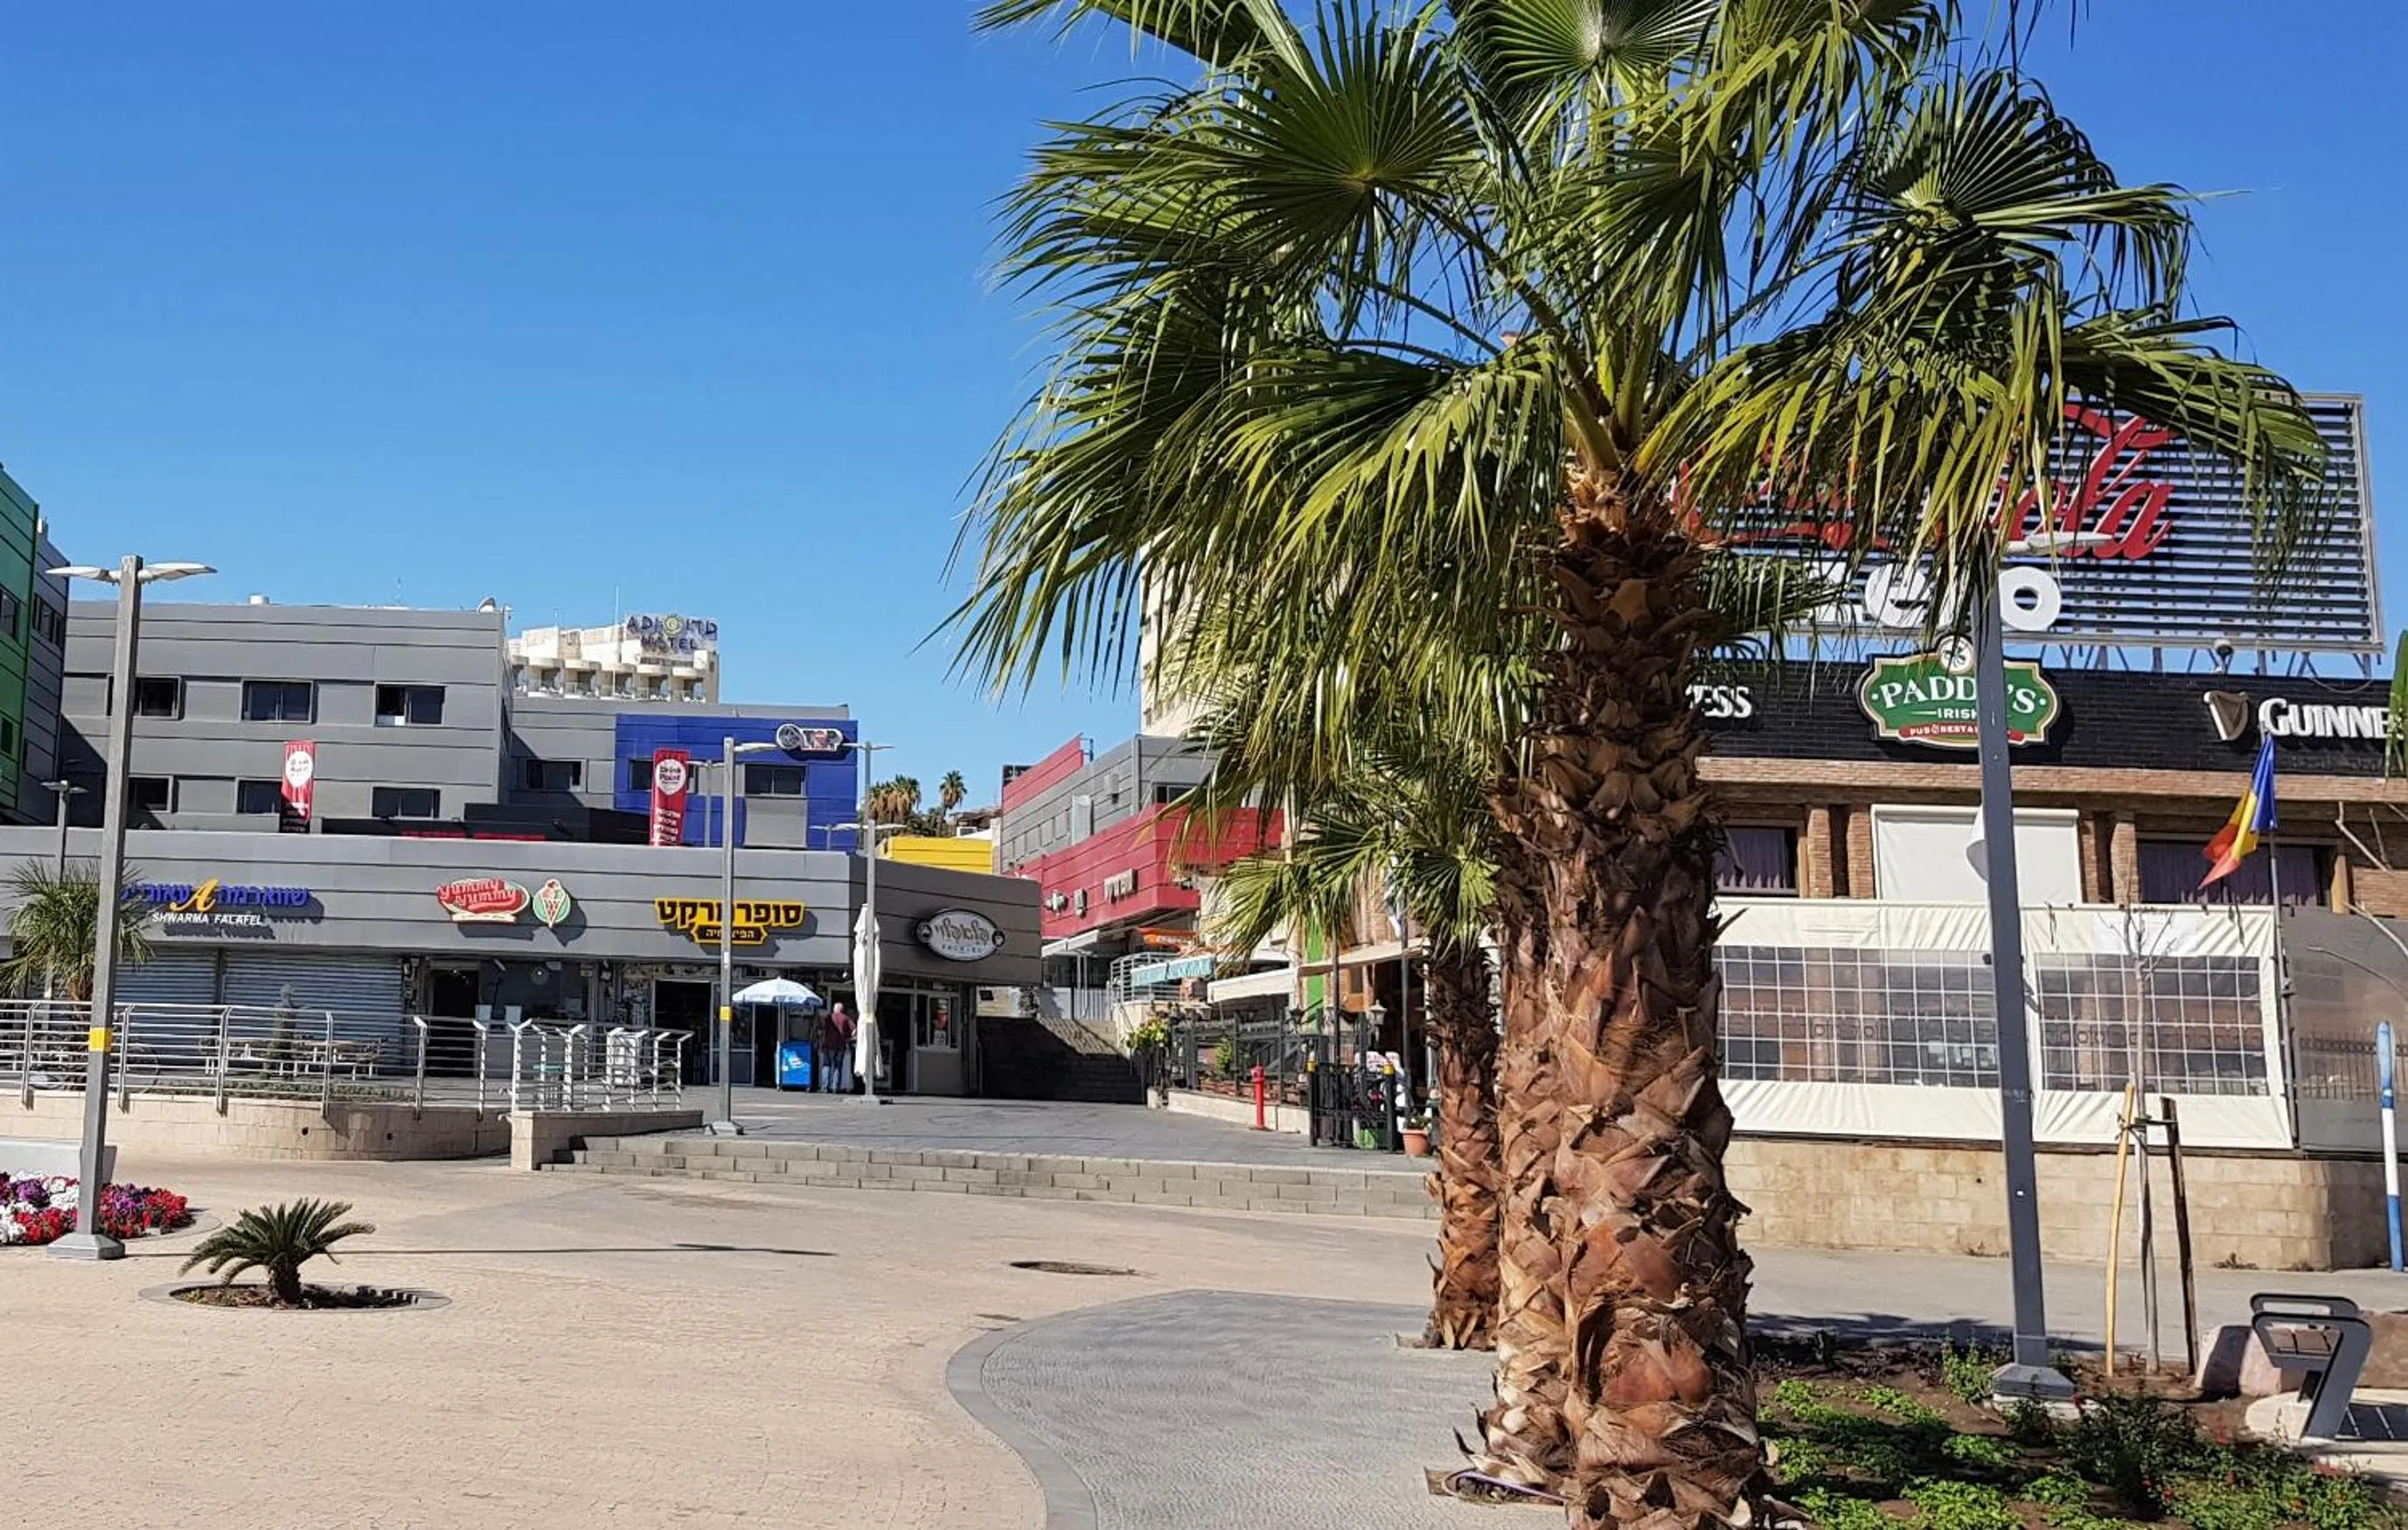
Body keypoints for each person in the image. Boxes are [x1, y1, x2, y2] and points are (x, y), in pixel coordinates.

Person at [825, 1002, 856, 1093]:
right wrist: (849, 1037)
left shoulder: (829, 1017)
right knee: (838, 1066)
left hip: (829, 1044)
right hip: (841, 1045)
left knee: (827, 1065)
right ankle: (835, 1087)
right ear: (842, 1009)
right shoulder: (846, 1018)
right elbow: (854, 1029)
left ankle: (825, 1087)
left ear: (835, 1008)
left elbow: (824, 1030)